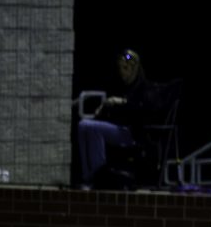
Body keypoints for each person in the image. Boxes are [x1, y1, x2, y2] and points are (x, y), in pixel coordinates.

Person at [75, 49, 174, 189]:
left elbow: (142, 106)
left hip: (133, 133)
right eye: (120, 68)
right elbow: (114, 109)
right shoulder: (120, 85)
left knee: (92, 128)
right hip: (118, 128)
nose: (122, 72)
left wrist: (121, 101)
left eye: (126, 68)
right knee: (83, 125)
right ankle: (88, 176)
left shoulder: (144, 87)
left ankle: (98, 176)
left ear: (135, 69)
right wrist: (103, 108)